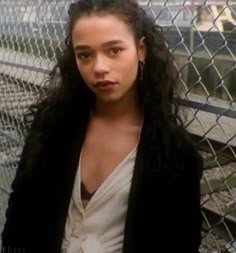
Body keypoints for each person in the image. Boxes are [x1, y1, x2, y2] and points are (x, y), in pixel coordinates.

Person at [1, 0, 203, 252]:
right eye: (84, 55)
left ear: (141, 50)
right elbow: (20, 209)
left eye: (114, 50)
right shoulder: (52, 124)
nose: (99, 67)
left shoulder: (175, 152)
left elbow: (181, 241)